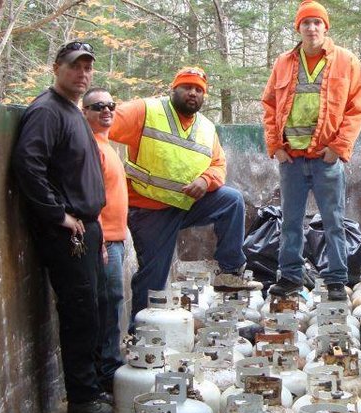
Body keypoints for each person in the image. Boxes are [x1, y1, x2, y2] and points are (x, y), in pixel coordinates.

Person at [109, 66, 260, 325]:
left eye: (199, 90)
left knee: (231, 200)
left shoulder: (206, 127)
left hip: (188, 204)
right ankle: (141, 332)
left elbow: (218, 165)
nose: (193, 93)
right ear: (174, 89)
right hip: (150, 209)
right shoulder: (146, 111)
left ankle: (230, 272)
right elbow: (100, 124)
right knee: (154, 275)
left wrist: (205, 180)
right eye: (187, 87)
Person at [12, 42, 113, 413]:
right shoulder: (45, 111)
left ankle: (94, 384)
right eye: (75, 67)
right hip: (66, 232)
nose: (83, 74)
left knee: (95, 308)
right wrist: (59, 215)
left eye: (88, 67)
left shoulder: (71, 111)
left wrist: (94, 229)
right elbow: (28, 165)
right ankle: (83, 399)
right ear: (56, 67)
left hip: (87, 228)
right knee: (79, 311)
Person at [262, 0, 361, 302]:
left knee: (334, 222)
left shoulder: (346, 61)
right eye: (306, 23)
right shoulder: (284, 62)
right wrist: (276, 147)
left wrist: (338, 147)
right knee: (291, 222)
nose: (311, 28)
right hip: (291, 159)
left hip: (326, 159)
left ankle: (336, 280)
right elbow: (269, 105)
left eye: (317, 22)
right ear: (298, 28)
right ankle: (291, 277)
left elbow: (356, 108)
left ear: (325, 27)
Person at [82, 87, 127, 392]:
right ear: (84, 112)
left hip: (117, 239)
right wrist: (99, 240)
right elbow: (89, 196)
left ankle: (109, 367)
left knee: (112, 304)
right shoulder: (90, 148)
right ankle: (106, 375)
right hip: (104, 242)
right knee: (107, 305)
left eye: (110, 105)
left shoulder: (107, 145)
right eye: (97, 106)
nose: (106, 110)